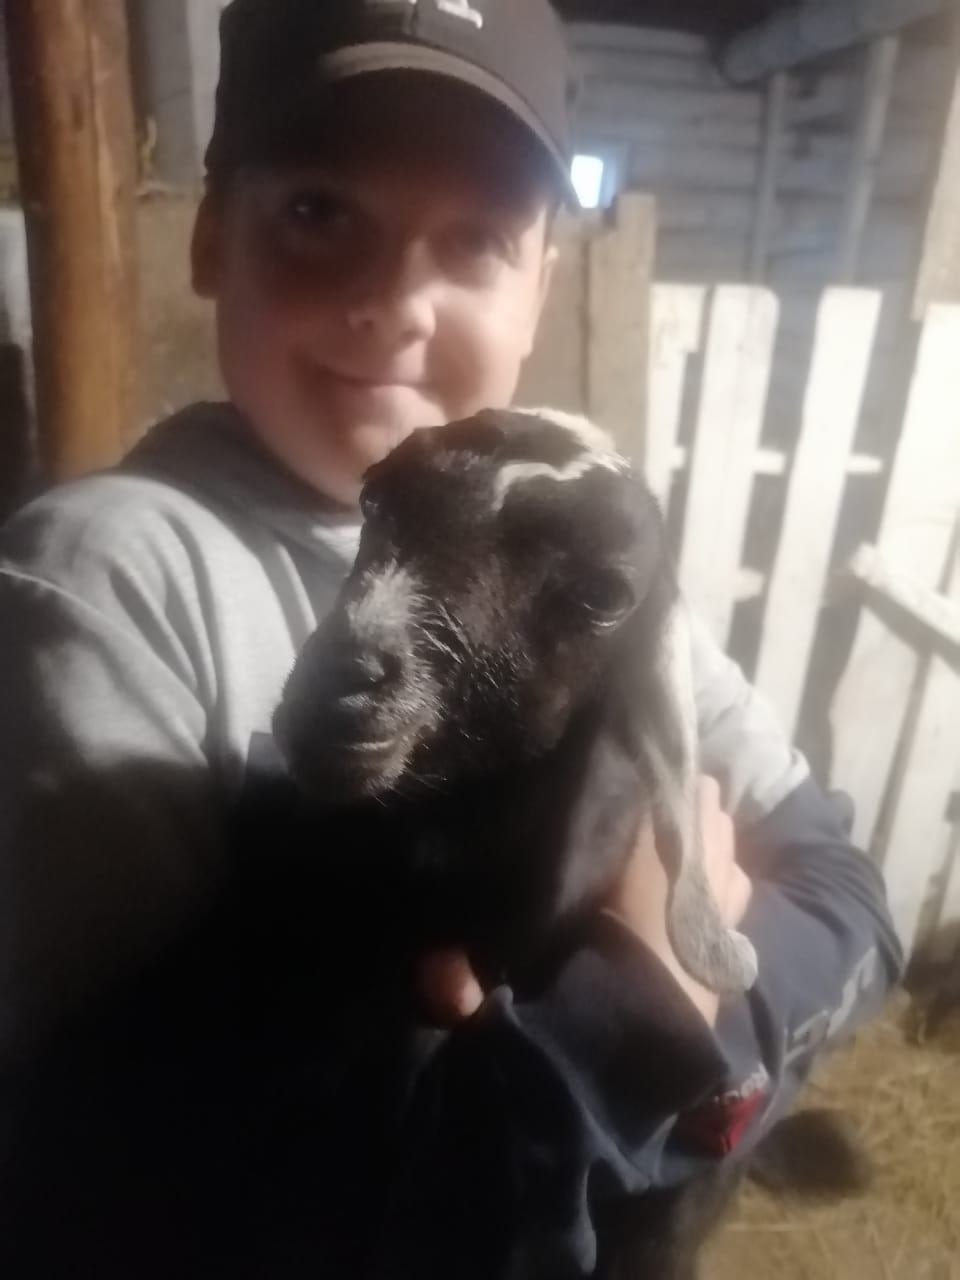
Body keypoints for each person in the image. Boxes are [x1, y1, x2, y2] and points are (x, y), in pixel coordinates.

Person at [0, 1, 903, 1276]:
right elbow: (89, 1181)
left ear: (542, 289)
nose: (396, 304)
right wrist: (622, 1027)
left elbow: (849, 898)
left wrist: (710, 1041)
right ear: (209, 234)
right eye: (320, 211)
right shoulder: (114, 580)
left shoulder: (582, 568)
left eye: (476, 240)